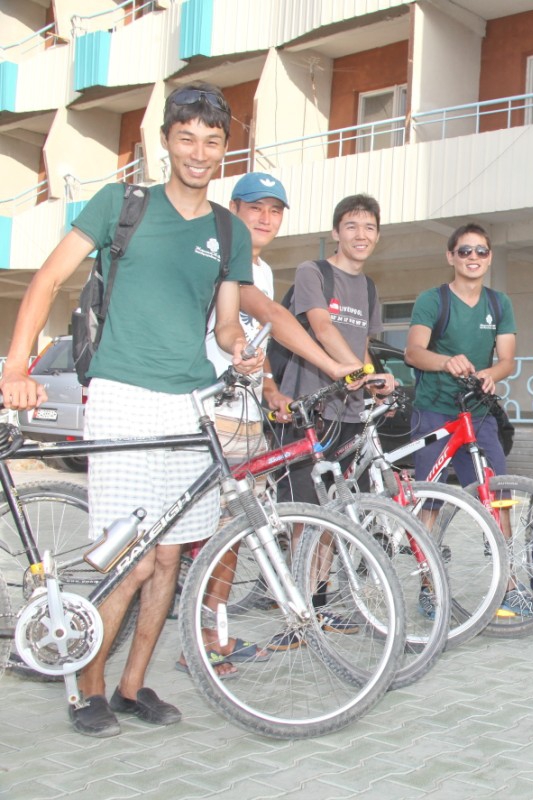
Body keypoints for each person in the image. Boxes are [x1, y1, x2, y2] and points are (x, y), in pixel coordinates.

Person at [0, 82, 260, 737]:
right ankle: (86, 690)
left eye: (211, 141)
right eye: (186, 138)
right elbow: (47, 279)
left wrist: (240, 349)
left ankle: (131, 685)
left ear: (225, 149)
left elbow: (228, 321)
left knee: (169, 559)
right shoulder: (122, 204)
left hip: (190, 402)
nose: (198, 152)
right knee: (131, 558)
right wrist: (15, 366)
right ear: (165, 141)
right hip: (122, 395)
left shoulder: (229, 230)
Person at [188, 173, 363, 675]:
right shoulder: (226, 261)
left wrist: (270, 389)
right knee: (200, 535)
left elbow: (258, 338)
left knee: (233, 531)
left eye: (275, 210)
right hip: (210, 411)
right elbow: (270, 318)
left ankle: (213, 635)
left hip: (246, 416)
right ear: (234, 210)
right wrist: (334, 366)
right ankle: (199, 638)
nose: (265, 218)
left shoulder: (261, 269)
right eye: (255, 208)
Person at [267, 193, 395, 650]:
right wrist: (359, 371)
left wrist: (372, 376)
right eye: (352, 226)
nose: (361, 235)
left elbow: (361, 345)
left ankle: (317, 607)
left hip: (349, 413)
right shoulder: (313, 272)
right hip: (309, 410)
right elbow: (322, 327)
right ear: (336, 231)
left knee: (332, 515)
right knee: (306, 517)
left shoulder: (370, 288)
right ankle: (296, 616)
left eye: (369, 227)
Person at [403, 224, 522, 611]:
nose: (473, 257)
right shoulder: (433, 299)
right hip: (434, 411)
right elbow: (413, 352)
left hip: (479, 413)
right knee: (429, 502)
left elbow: (507, 359)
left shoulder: (499, 303)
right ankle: (428, 587)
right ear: (451, 256)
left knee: (498, 497)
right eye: (465, 251)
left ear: (489, 257)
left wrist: (491, 373)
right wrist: (445, 361)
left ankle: (508, 584)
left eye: (481, 251)